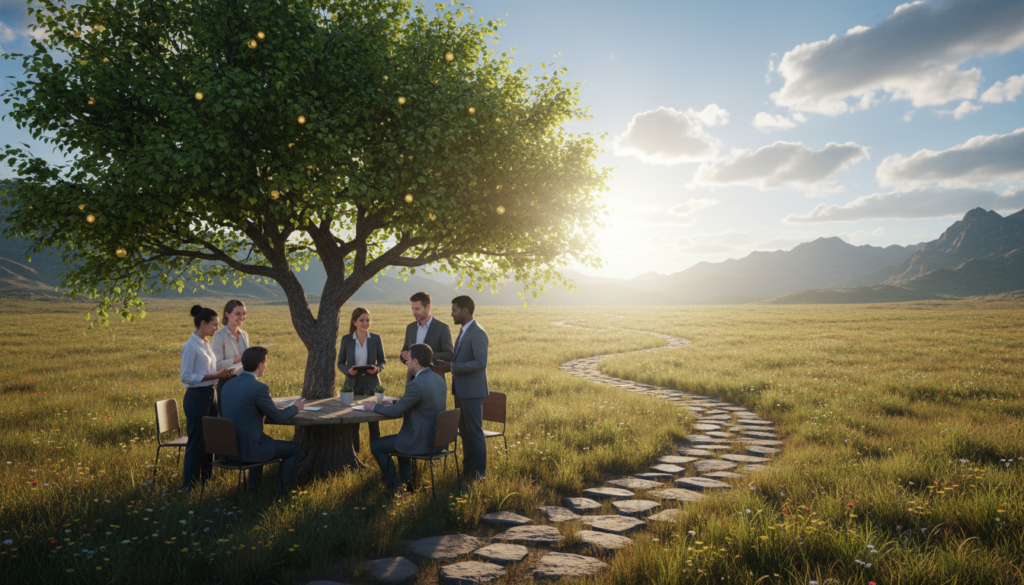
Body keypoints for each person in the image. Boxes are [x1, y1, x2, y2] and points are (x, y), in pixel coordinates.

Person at [220, 346, 305, 494]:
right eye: (265, 362)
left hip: (229, 449)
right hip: (250, 449)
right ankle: (282, 492)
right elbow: (277, 417)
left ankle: (253, 490)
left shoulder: (227, 385)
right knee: (294, 449)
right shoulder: (259, 388)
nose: (266, 365)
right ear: (260, 365)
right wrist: (295, 407)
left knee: (259, 439)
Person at [366, 343, 447, 493]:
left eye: (408, 359)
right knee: (401, 440)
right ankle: (406, 484)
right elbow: (421, 403)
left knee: (376, 446)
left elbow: (397, 411)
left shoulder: (416, 384)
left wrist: (374, 407)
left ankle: (396, 488)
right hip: (438, 441)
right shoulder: (439, 379)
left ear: (415, 361)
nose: (406, 362)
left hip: (421, 441)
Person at [180, 305, 237, 491]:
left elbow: (210, 370)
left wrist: (224, 371)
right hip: (197, 397)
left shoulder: (206, 343)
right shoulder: (190, 346)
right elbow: (186, 377)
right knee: (196, 441)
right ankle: (189, 484)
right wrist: (217, 377)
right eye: (214, 325)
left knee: (210, 440)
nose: (216, 328)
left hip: (211, 394)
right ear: (203, 323)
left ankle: (206, 480)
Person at [434, 295, 489, 481]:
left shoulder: (478, 332)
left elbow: (481, 363)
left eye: (454, 310)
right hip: (460, 390)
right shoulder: (464, 331)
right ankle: (468, 470)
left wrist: (452, 367)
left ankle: (479, 474)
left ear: (465, 311)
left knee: (474, 432)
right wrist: (447, 363)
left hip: (473, 392)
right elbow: (463, 360)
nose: (452, 314)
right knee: (464, 432)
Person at [337, 307, 387, 447]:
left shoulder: (376, 338)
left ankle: (376, 452)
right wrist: (348, 371)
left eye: (368, 320)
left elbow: (382, 361)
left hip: (372, 384)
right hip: (352, 384)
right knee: (353, 421)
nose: (365, 323)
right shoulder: (346, 339)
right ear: (354, 322)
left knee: (374, 421)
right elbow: (340, 363)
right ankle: (355, 453)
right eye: (362, 320)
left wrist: (376, 369)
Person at [400, 292, 454, 383]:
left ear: (428, 307)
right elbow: (405, 350)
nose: (414, 312)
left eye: (417, 309)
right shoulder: (410, 327)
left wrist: (422, 357)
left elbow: (449, 355)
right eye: (412, 309)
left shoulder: (442, 328)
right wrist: (404, 356)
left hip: (433, 381)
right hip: (412, 380)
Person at [212, 300, 248, 416]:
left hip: (243, 383)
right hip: (226, 384)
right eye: (238, 313)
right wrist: (238, 359)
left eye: (244, 313)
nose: (242, 317)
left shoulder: (245, 335)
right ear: (227, 314)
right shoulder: (219, 336)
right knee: (227, 422)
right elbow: (217, 365)